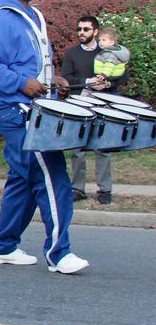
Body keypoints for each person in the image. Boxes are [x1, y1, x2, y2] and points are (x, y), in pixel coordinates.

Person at [0, 0, 89, 274]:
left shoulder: (32, 16)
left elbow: (34, 63)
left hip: (33, 107)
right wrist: (21, 83)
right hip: (15, 110)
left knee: (24, 180)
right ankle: (59, 253)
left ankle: (3, 246)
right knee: (51, 174)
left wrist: (55, 79)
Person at [61, 15, 115, 204]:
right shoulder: (72, 54)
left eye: (85, 29)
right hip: (79, 105)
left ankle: (105, 189)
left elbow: (121, 75)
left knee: (103, 148)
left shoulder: (107, 53)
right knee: (78, 149)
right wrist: (86, 82)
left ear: (96, 31)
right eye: (79, 29)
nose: (81, 33)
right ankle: (78, 188)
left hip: (102, 105)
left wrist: (107, 83)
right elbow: (66, 79)